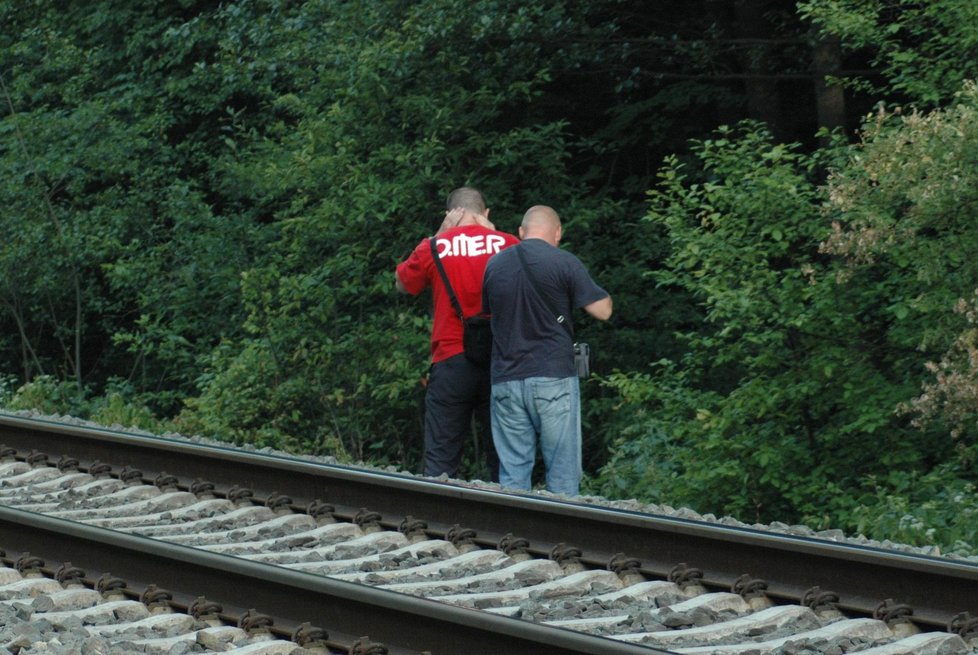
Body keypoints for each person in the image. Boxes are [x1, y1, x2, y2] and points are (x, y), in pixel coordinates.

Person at [482, 205, 612, 495]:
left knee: (513, 472)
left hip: (506, 380)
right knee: (563, 472)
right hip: (553, 377)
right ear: (558, 233)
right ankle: (562, 534)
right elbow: (603, 311)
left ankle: (513, 534)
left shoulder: (494, 265)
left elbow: (491, 312)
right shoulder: (564, 262)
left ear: (521, 232)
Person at [395, 187, 520, 480]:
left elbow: (402, 283)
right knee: (504, 458)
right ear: (485, 214)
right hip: (501, 361)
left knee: (441, 456)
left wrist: (439, 233)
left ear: (451, 214)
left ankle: (437, 516)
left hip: (451, 359)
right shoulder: (510, 244)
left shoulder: (435, 245)